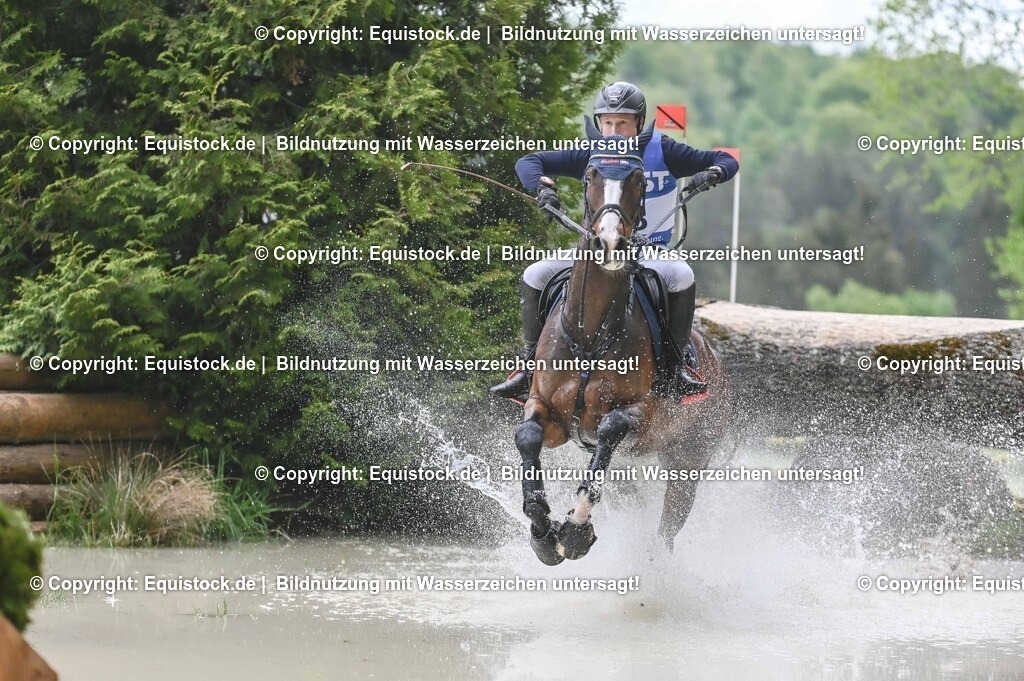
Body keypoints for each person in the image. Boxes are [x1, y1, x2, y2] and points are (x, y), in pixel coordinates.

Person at [490, 81, 739, 403]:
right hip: (593, 249)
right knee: (535, 273)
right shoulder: (591, 154)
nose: (614, 130)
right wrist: (542, 186)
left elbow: (726, 159)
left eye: (622, 122)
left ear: (639, 122)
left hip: (648, 248)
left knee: (681, 275)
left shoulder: (663, 150)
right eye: (607, 122)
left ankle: (679, 366)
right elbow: (527, 161)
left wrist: (714, 172)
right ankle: (527, 368)